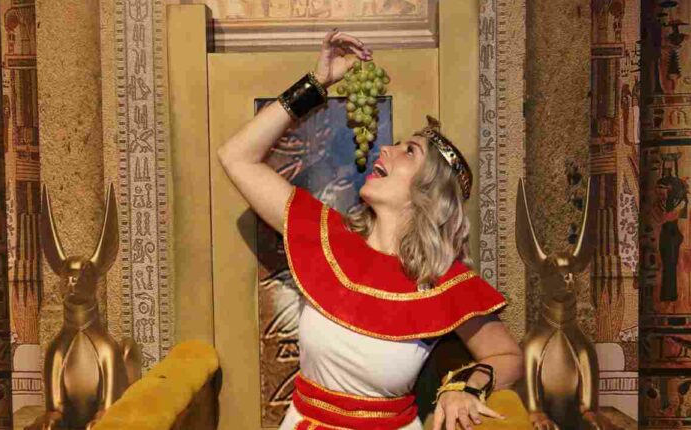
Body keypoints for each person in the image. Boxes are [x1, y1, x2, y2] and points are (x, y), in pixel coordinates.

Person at [217, 30, 524, 430]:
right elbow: (236, 156)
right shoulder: (326, 235)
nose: (385, 149)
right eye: (396, 144)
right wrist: (316, 82)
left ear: (429, 191)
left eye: (409, 151)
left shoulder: (444, 282)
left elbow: (507, 357)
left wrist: (466, 386)